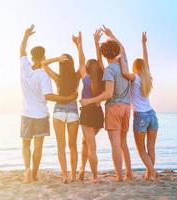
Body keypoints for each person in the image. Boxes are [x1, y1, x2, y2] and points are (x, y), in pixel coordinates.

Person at [19, 25, 78, 183]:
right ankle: (35, 174)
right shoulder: (43, 76)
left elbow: (21, 50)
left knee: (25, 143)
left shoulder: (24, 67)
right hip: (41, 115)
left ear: (31, 57)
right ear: (44, 56)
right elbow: (50, 96)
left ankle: (27, 170)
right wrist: (69, 98)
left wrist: (25, 36)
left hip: (26, 114)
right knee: (38, 147)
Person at [80, 26, 132, 182]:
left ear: (104, 55)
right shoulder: (124, 63)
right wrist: (111, 35)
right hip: (127, 108)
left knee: (115, 145)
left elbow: (108, 94)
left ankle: (120, 177)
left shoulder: (109, 71)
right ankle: (128, 173)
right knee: (123, 143)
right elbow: (122, 48)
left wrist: (89, 101)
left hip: (114, 108)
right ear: (117, 52)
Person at [118, 32, 159, 180]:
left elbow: (123, 72)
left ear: (135, 67)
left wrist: (120, 60)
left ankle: (153, 173)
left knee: (141, 150)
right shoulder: (147, 77)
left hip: (140, 117)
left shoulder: (134, 77)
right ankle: (149, 175)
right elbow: (146, 61)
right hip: (152, 115)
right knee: (151, 149)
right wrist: (144, 44)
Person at [41, 52, 80, 183]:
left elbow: (43, 64)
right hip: (73, 111)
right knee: (73, 145)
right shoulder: (77, 77)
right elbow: (83, 63)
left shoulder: (57, 78)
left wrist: (58, 58)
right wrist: (78, 47)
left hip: (59, 111)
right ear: (72, 64)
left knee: (61, 145)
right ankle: (73, 175)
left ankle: (65, 175)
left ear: (61, 65)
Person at [72, 30, 105, 183]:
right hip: (98, 114)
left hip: (87, 113)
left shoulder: (86, 79)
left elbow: (81, 62)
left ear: (87, 68)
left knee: (91, 145)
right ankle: (82, 171)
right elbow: (99, 60)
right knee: (86, 142)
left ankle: (95, 176)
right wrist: (96, 43)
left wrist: (79, 45)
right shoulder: (103, 78)